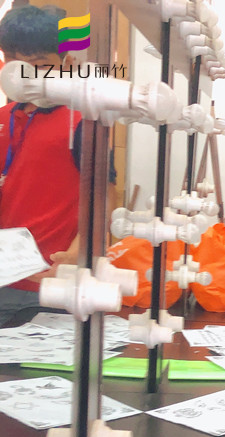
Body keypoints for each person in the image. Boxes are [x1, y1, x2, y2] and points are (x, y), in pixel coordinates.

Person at [0, 6, 82, 326]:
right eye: (14, 62)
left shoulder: (82, 121)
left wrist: (78, 253)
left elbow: (103, 198)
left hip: (49, 283)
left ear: (67, 63)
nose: (25, 75)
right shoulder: (4, 118)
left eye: (40, 64)